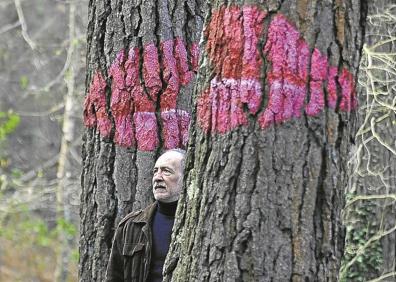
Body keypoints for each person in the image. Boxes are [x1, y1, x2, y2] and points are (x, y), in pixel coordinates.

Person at [106, 149, 186, 282]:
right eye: (155, 171)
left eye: (166, 171)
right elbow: (114, 277)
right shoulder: (131, 226)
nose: (157, 177)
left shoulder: (199, 223)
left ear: (186, 176)